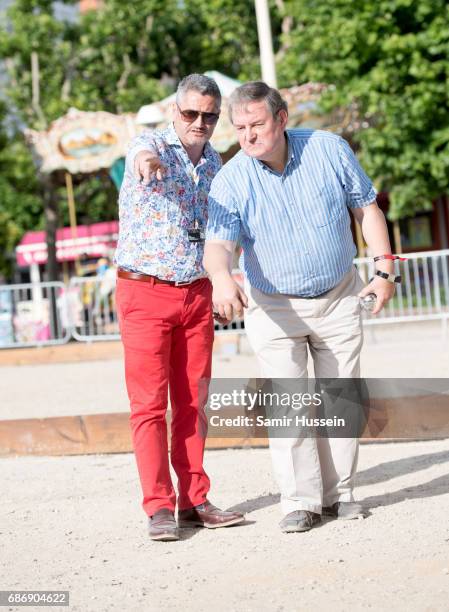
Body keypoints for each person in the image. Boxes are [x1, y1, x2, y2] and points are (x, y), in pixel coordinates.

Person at [203, 81, 397, 533]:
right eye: (239, 128)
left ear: (282, 118)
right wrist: (220, 280)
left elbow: (367, 210)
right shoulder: (231, 179)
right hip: (273, 309)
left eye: (257, 124)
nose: (247, 136)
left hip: (338, 296)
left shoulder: (329, 150)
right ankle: (300, 500)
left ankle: (340, 494)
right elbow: (218, 246)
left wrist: (385, 271)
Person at [115, 74, 244, 541]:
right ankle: (158, 507)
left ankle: (193, 499)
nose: (199, 122)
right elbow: (139, 152)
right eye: (190, 113)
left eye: (209, 115)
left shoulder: (216, 165)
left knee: (194, 401)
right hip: (145, 291)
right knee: (149, 405)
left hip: (196, 293)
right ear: (175, 110)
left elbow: (225, 229)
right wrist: (147, 161)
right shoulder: (151, 145)